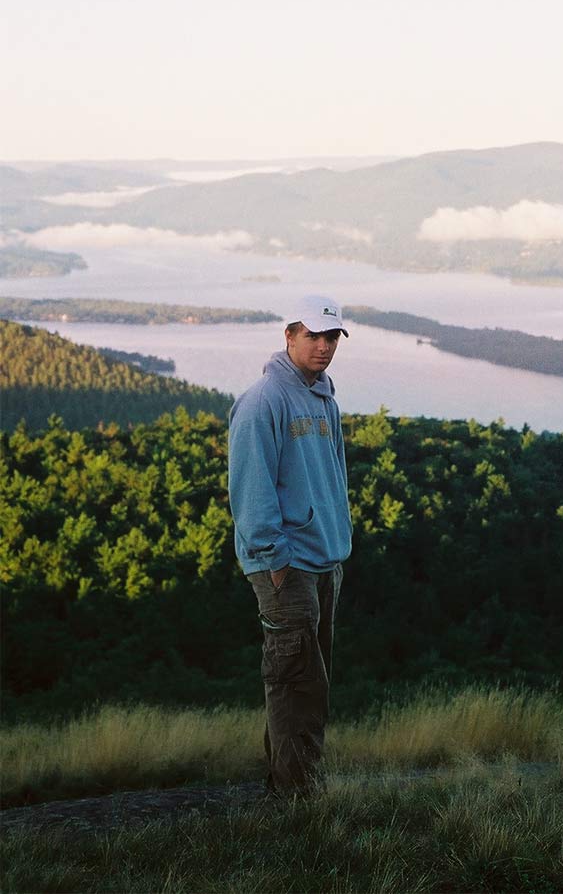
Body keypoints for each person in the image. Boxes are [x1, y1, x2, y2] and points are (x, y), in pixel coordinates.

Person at [228, 294, 352, 796]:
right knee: (294, 681)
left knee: (309, 683)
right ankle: (297, 801)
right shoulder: (263, 402)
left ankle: (291, 785)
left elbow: (333, 477)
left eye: (331, 338)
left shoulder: (323, 397)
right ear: (289, 336)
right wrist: (276, 563)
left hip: (324, 560)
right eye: (312, 336)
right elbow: (250, 490)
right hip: (286, 566)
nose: (323, 347)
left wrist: (339, 543)